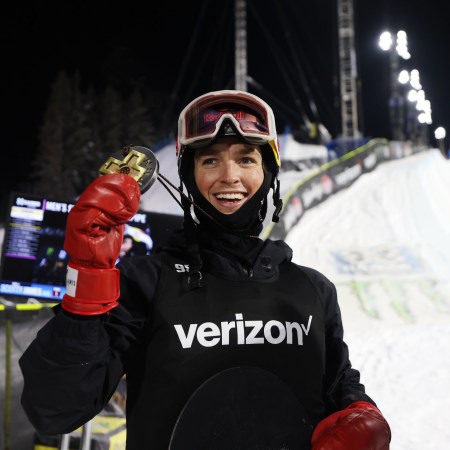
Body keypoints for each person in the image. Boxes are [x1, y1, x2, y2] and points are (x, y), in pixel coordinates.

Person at [19, 90, 391, 449]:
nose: (229, 175)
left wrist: (364, 415)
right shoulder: (145, 284)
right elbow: (54, 409)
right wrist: (86, 278)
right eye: (210, 160)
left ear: (268, 174)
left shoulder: (313, 290)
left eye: (246, 159)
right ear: (188, 177)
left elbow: (341, 388)